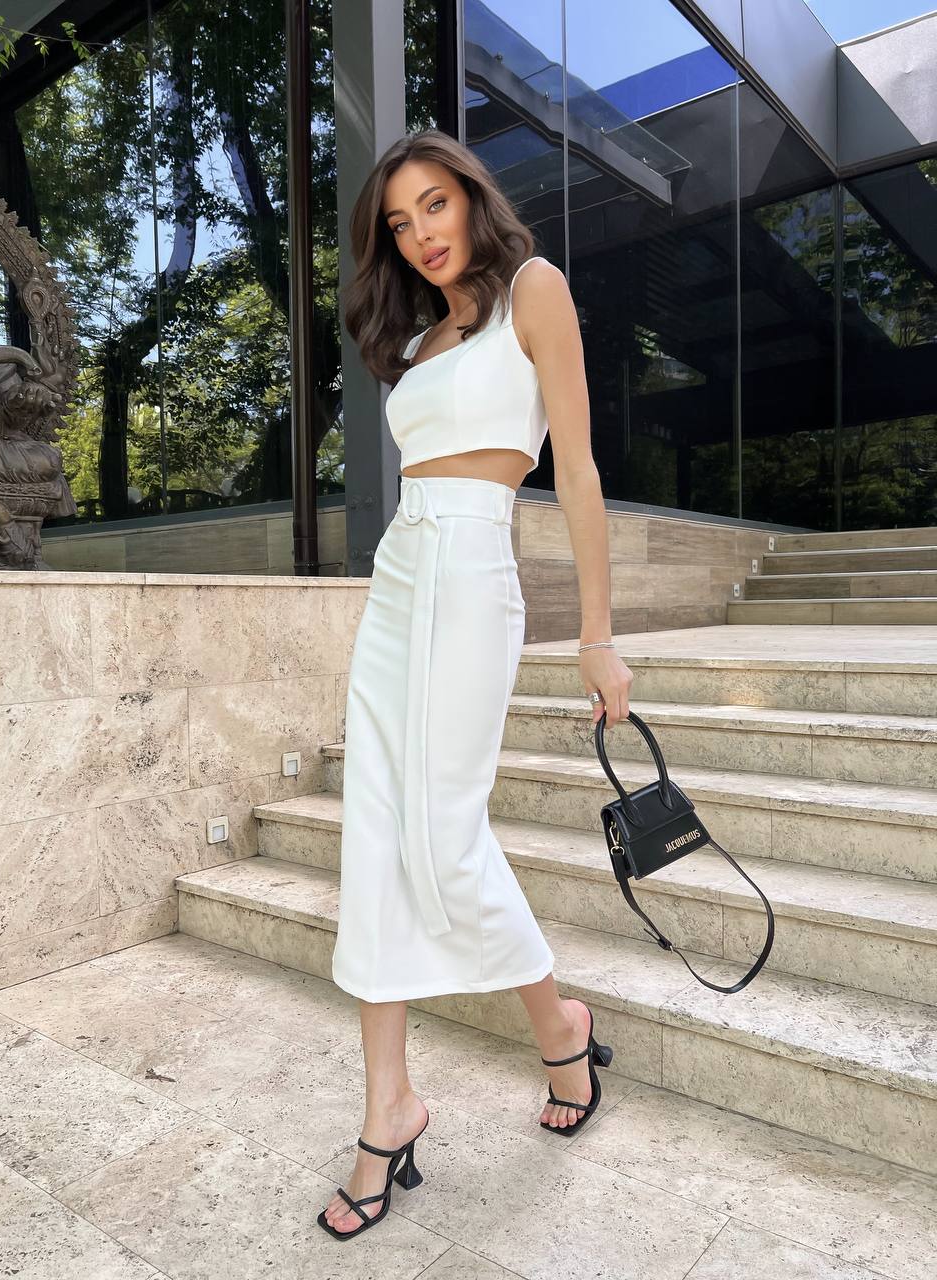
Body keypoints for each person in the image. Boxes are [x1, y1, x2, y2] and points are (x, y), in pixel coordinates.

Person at [318, 129, 634, 1240]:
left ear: (472, 197)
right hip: (402, 571)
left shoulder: (532, 290)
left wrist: (597, 632)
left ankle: (561, 1026)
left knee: (445, 832)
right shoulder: (419, 333)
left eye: (435, 205)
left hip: (474, 565)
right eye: (400, 224)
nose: (422, 234)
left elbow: (581, 468)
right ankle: (387, 1104)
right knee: (376, 826)